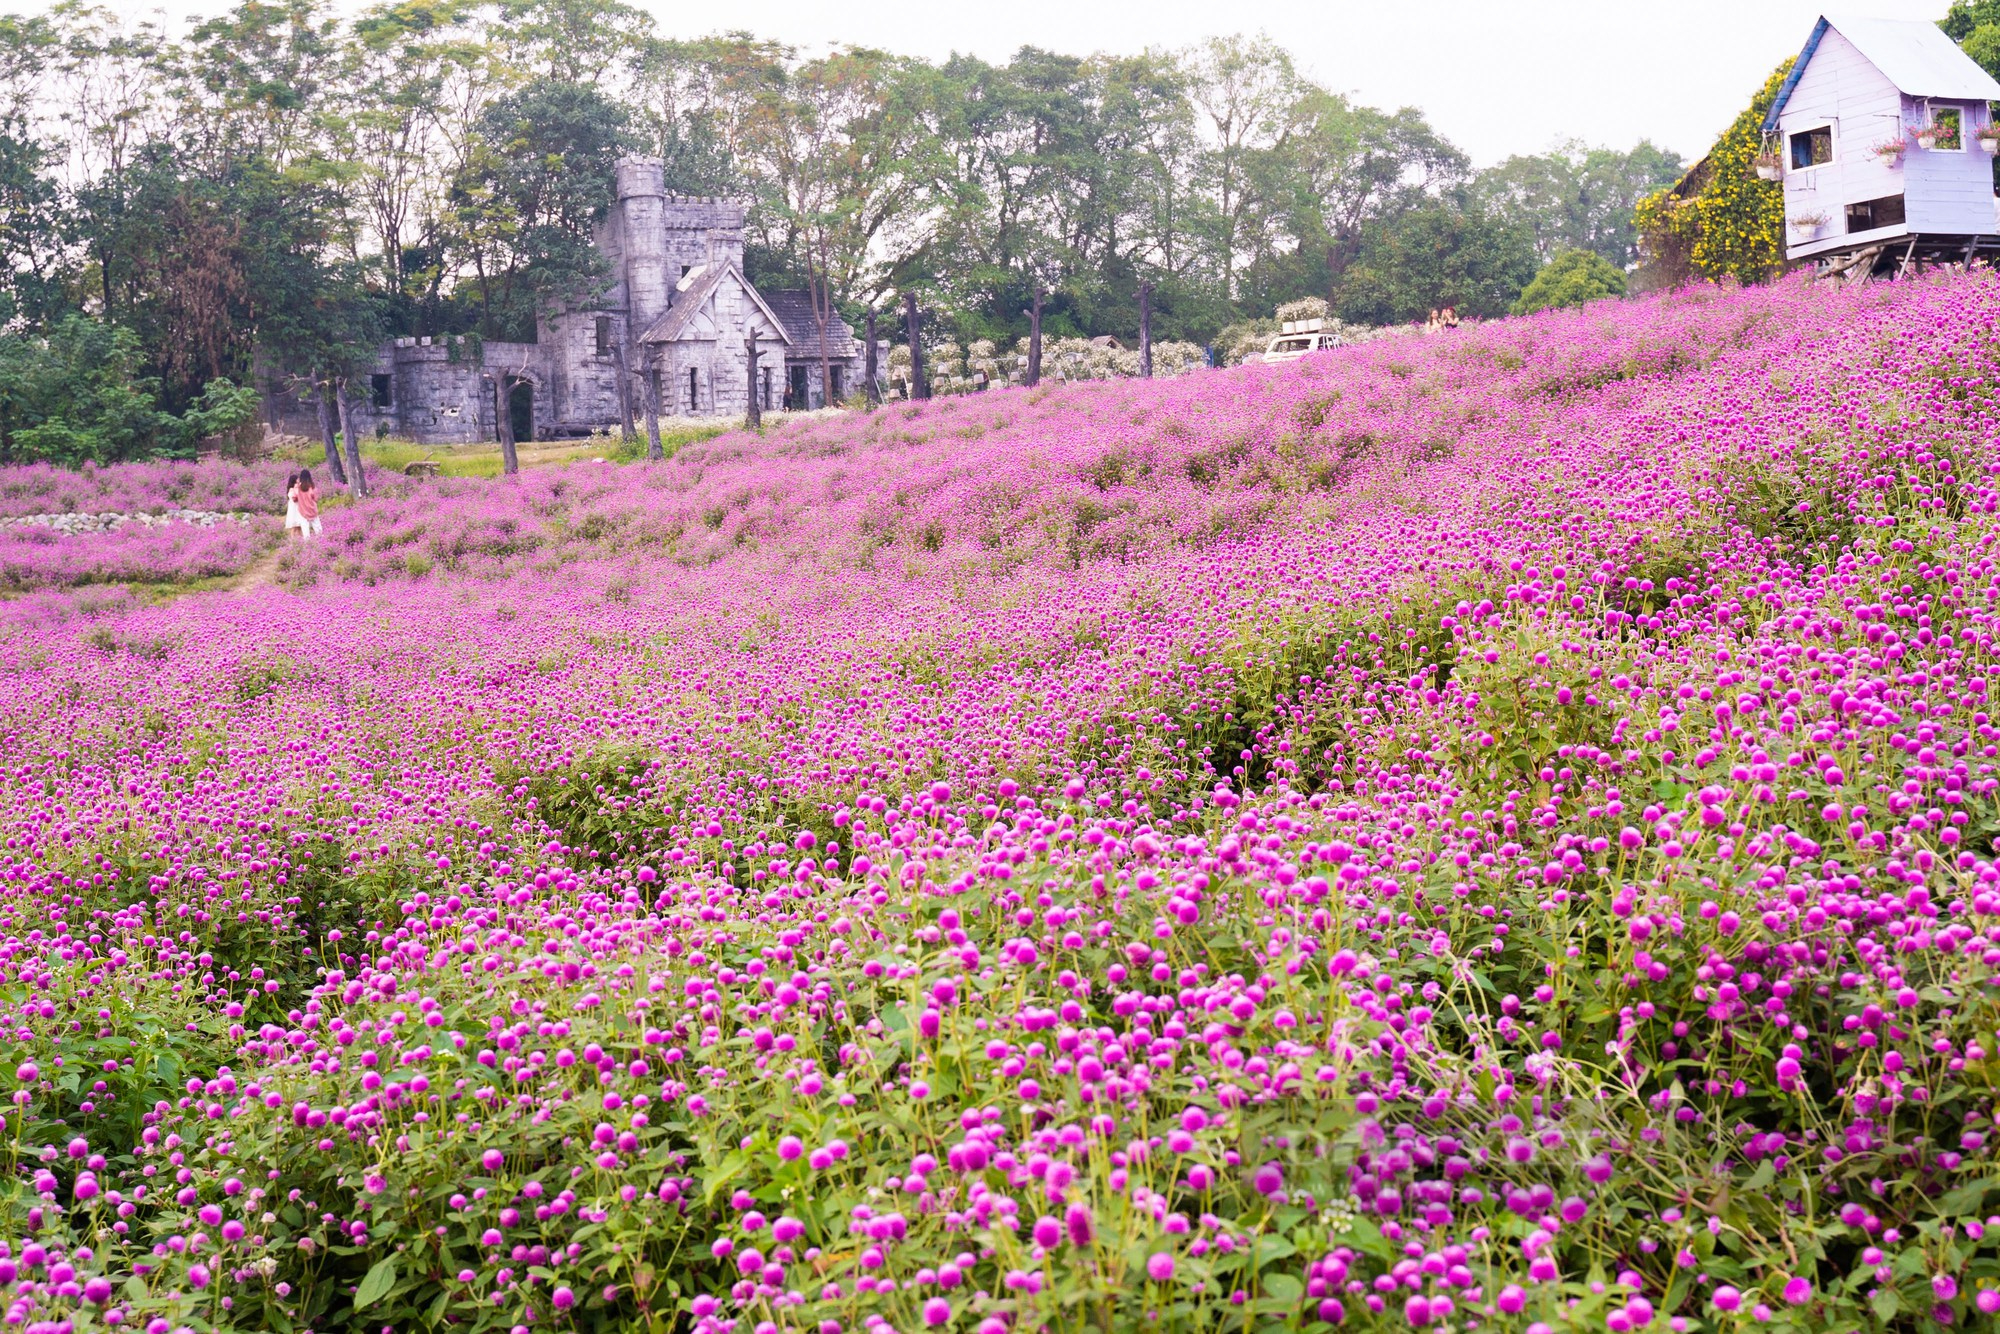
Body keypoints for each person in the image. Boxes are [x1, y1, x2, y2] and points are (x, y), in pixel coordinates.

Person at [291, 469, 322, 541]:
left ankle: (308, 545)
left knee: (305, 530)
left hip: (302, 511)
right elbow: (316, 498)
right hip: (312, 510)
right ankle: (321, 543)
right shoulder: (312, 487)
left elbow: (294, 498)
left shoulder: (298, 488)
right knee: (318, 529)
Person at [283, 471, 303, 537]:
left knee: (299, 525)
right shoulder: (292, 489)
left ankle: (300, 539)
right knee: (294, 525)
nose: (299, 480)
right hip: (294, 508)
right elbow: (294, 498)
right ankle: (293, 540)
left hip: (297, 507)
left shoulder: (297, 487)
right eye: (297, 479)